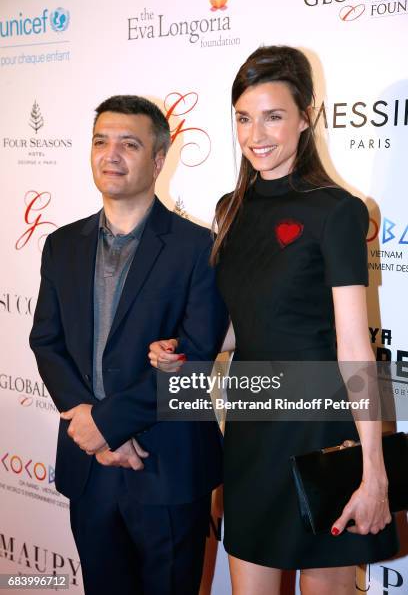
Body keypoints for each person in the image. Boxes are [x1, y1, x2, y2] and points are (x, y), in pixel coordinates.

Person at [148, 46, 399, 594]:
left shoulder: (338, 210)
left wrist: (373, 467)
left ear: (307, 116)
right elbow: (249, 321)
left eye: (274, 115)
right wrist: (186, 354)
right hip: (252, 418)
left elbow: (355, 344)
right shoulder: (230, 209)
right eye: (243, 117)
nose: (255, 133)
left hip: (318, 422)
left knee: (324, 584)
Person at [29, 95, 229, 595]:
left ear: (159, 160)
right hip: (88, 468)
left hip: (166, 467)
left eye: (129, 144)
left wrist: (108, 425)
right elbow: (46, 341)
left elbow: (197, 357)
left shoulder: (198, 248)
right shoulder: (62, 245)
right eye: (101, 141)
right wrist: (89, 425)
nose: (110, 154)